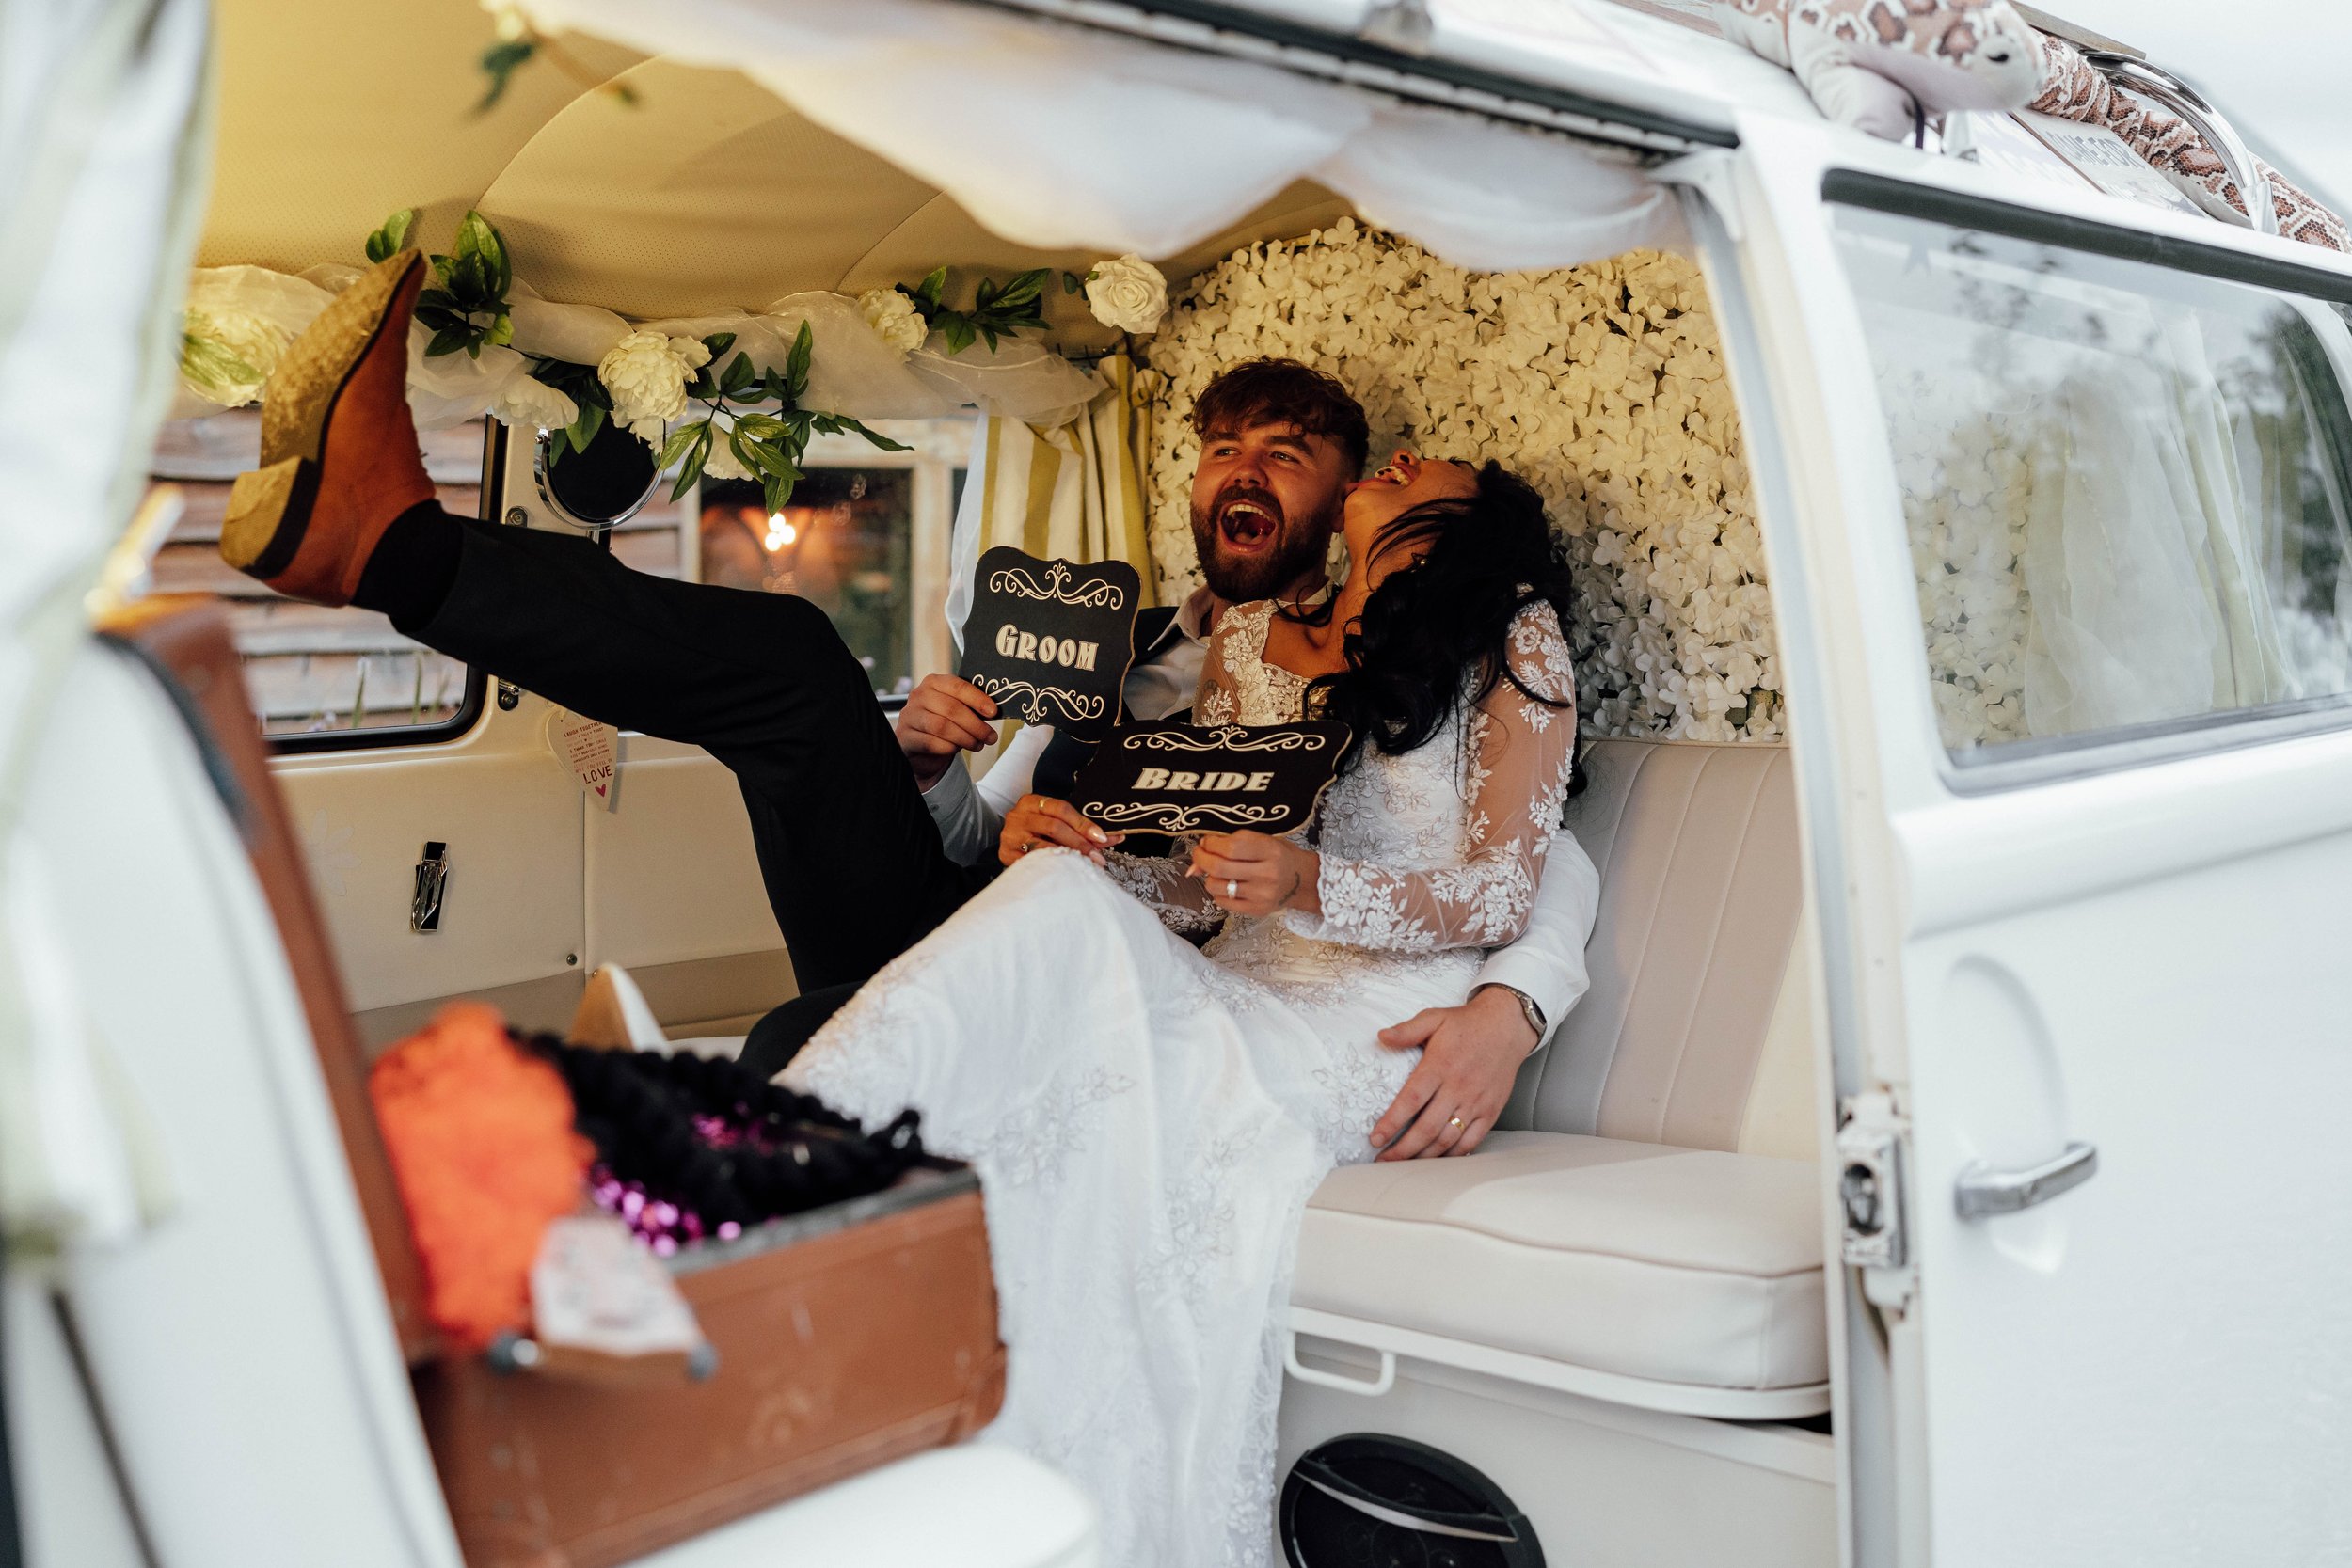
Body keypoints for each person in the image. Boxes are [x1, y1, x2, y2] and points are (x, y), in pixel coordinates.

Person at [216, 249, 1594, 1156]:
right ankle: (391, 538)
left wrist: (1517, 1006)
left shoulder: (1429, 663)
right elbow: (959, 842)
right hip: (982, 904)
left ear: (1343, 504)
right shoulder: (1116, 633)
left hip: (1105, 959)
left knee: (781, 1033)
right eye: (1221, 449)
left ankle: (389, 545)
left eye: (1289, 458)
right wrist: (944, 774)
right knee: (801, 672)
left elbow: (1532, 854)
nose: (1244, 474)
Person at [780, 449, 1581, 1564]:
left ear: (1467, 522)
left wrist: (1309, 883)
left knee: (1085, 1034)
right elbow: (1208, 898)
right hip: (1236, 977)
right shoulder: (1248, 647)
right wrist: (1106, 862)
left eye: (1430, 468)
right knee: (1057, 887)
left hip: (1373, 1023)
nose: (1407, 456)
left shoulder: (1509, 628)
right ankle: (799, 1149)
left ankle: (774, 1165)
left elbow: (1509, 882)